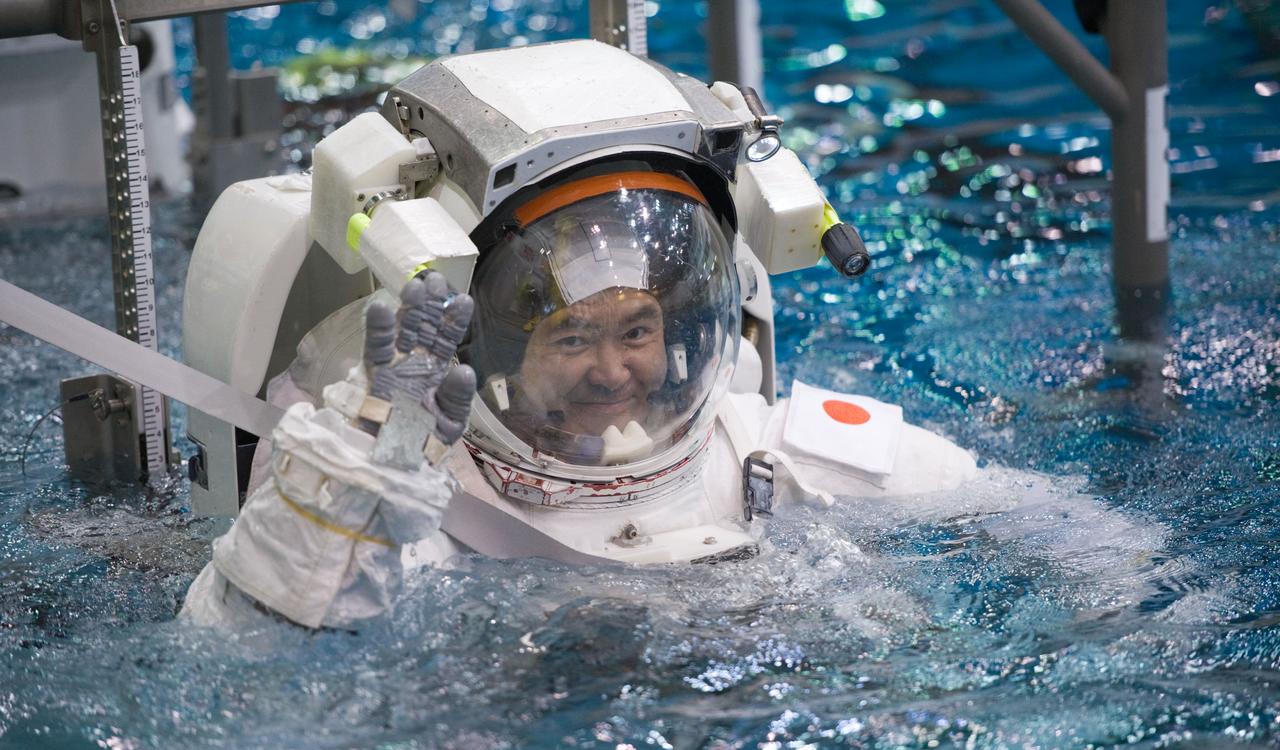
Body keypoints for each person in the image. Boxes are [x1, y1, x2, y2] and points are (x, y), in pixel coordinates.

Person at [179, 43, 978, 632]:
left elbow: (1029, 525)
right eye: (570, 338)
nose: (611, 370)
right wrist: (359, 473)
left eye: (637, 329)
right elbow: (243, 665)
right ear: (492, 350)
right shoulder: (422, 523)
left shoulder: (762, 461)